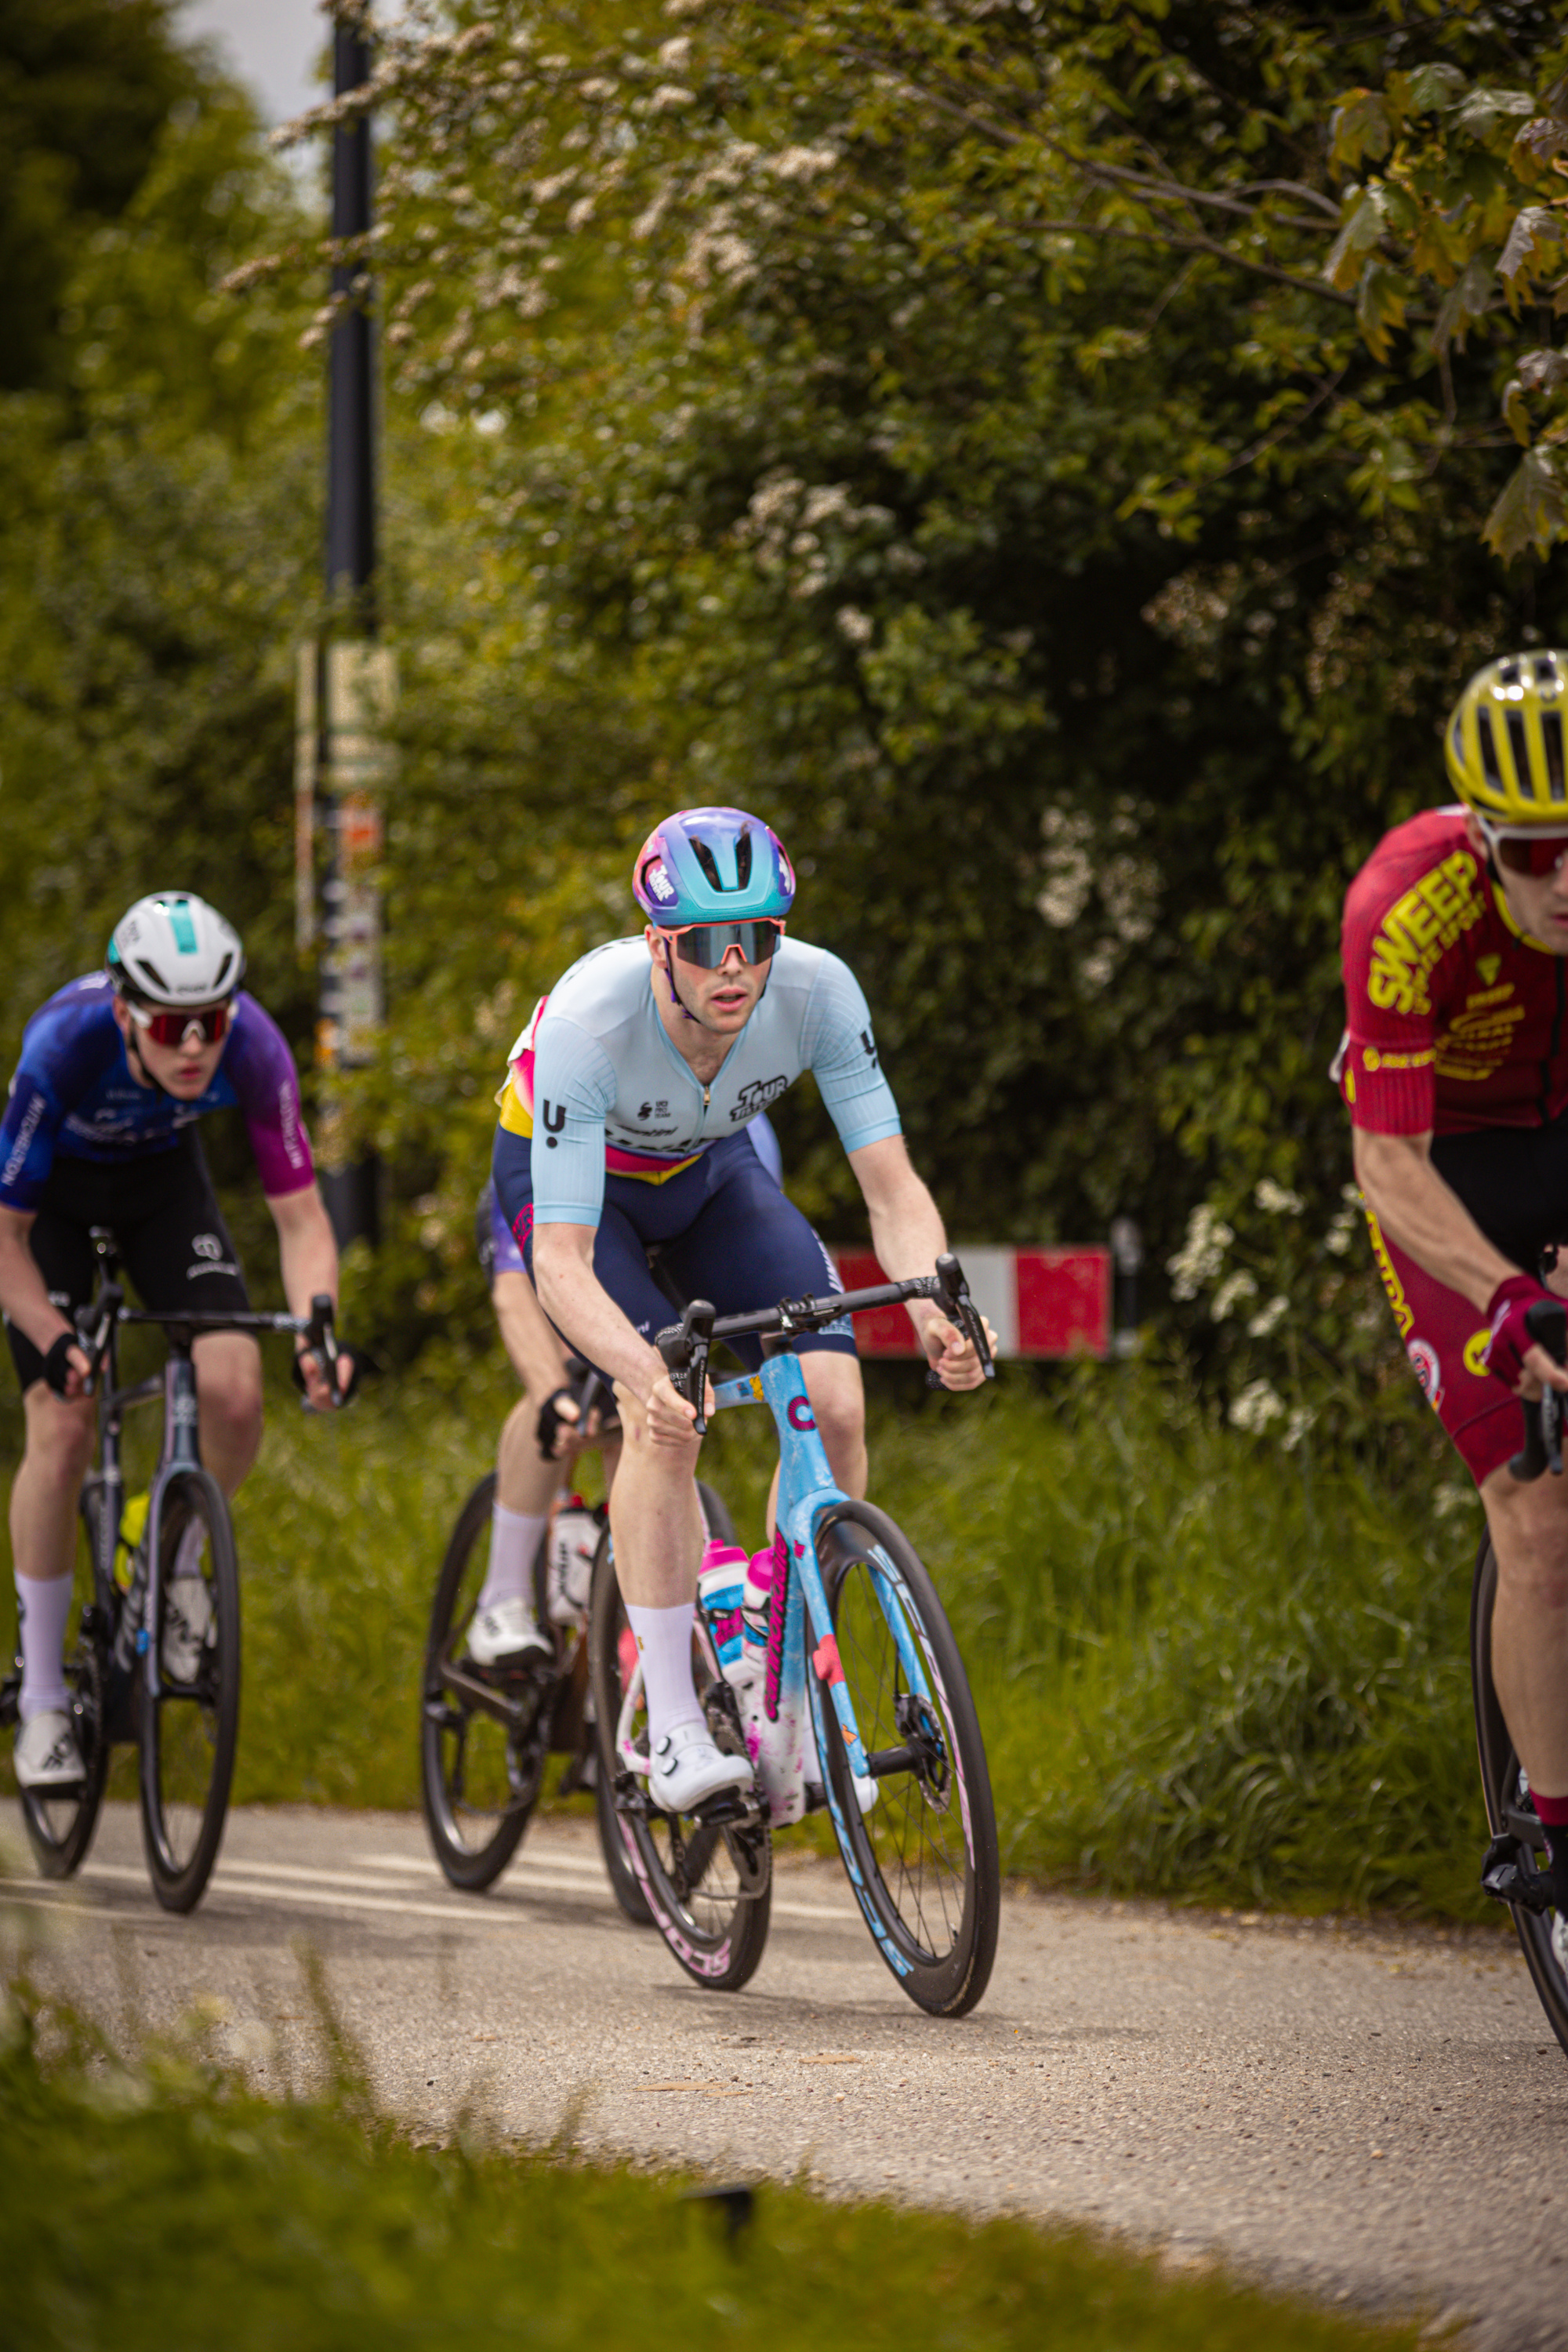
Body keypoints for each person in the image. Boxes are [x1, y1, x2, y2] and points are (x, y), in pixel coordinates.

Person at [491, 806, 991, 1815]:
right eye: (707, 944)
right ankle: (672, 1721)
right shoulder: (592, 1019)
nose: (734, 966)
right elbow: (558, 1260)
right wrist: (641, 1376)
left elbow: (890, 1188)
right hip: (584, 1199)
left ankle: (767, 1633)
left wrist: (938, 1304)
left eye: (756, 938)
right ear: (656, 944)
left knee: (838, 1405)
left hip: (707, 1175)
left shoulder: (817, 991)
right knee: (665, 1417)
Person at [0, 892, 354, 1791]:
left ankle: (171, 1552)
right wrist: (50, 1336)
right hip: (55, 1210)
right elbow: (4, 1237)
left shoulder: (256, 1046)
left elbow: (302, 1218)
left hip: (162, 1185)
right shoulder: (63, 1048)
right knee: (65, 1418)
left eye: (209, 1021)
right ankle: (42, 1697)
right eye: (169, 1026)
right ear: (125, 1011)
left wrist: (317, 1330)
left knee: (235, 1388)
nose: (194, 1045)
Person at [1338, 650, 1568, 1946]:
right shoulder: (1406, 903)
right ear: (1483, 836)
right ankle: (1557, 1835)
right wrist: (1507, 1294)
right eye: (1537, 851)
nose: (1565, 878)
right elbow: (1387, 1160)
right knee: (1539, 1523)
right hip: (1449, 1172)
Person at [466, 1104, 786, 1668]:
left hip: (668, 1246)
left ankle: (635, 1625)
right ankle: (504, 1595)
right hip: (565, 1226)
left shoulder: (747, 1136)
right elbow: (521, 1294)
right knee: (571, 1381)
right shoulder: (566, 1122)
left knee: (646, 1405)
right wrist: (553, 1395)